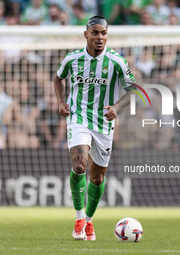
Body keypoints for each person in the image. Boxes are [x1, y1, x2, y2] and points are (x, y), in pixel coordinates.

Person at [54, 15, 136, 241]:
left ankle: (89, 221)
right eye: (95, 33)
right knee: (79, 165)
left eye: (103, 33)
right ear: (86, 34)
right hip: (78, 117)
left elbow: (133, 90)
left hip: (104, 123)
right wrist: (61, 101)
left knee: (97, 178)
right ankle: (79, 218)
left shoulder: (117, 62)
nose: (100, 37)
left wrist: (117, 107)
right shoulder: (72, 59)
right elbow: (58, 79)